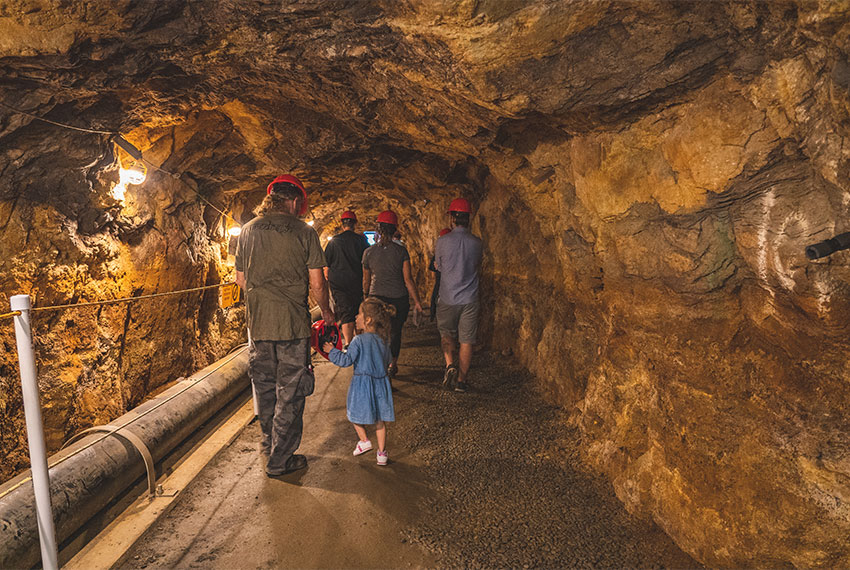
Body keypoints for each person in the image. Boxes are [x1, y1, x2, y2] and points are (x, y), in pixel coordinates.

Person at [235, 174, 334, 476]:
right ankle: (281, 459)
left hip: (259, 327)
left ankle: (268, 445)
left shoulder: (247, 231)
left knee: (265, 390)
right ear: (294, 202)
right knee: (290, 392)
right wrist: (327, 313)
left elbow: (240, 280)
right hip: (292, 327)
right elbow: (318, 282)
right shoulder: (304, 233)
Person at [324, 297, 396, 465]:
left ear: (368, 319)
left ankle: (364, 441)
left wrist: (331, 351)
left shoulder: (358, 340)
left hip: (362, 385)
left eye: (359, 314)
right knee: (380, 421)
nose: (355, 317)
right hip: (381, 383)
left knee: (354, 414)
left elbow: (346, 360)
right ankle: (382, 454)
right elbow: (388, 360)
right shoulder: (384, 340)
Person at [362, 210, 423, 379]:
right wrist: (417, 301)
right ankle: (392, 365)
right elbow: (408, 279)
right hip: (398, 299)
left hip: (376, 299)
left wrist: (365, 300)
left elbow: (366, 281)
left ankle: (380, 367)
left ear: (378, 230)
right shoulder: (401, 251)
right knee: (395, 333)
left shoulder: (368, 253)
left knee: (378, 334)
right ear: (394, 229)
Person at [434, 198, 482, 393]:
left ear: (453, 218)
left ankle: (449, 364)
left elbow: (439, 267)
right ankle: (461, 381)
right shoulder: (477, 243)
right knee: (467, 339)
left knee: (446, 333)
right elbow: (477, 265)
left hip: (447, 296)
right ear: (469, 218)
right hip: (470, 297)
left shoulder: (442, 241)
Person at [324, 210, 369, 347]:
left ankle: (349, 344)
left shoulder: (334, 242)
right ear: (354, 223)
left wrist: (329, 279)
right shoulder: (361, 241)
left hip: (339, 282)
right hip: (356, 281)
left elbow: (326, 266)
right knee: (357, 311)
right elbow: (367, 263)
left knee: (345, 313)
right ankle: (359, 342)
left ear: (341, 224)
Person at [428, 228, 452, 322]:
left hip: (441, 283)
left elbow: (432, 269)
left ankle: (433, 315)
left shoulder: (439, 253)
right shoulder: (455, 252)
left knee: (435, 297)